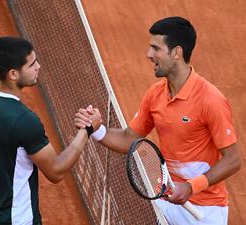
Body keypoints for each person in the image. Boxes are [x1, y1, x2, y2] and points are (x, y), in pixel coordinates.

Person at [75, 17, 241, 225]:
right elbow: (129, 139)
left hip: (205, 212)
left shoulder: (211, 100)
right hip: (167, 203)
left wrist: (191, 187)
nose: (148, 55)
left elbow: (232, 160)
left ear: (176, 52)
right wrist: (97, 129)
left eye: (156, 48)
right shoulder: (155, 95)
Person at [0, 36, 100, 225]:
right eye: (32, 64)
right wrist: (86, 131)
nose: (38, 66)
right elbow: (56, 171)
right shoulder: (25, 121)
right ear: (13, 74)